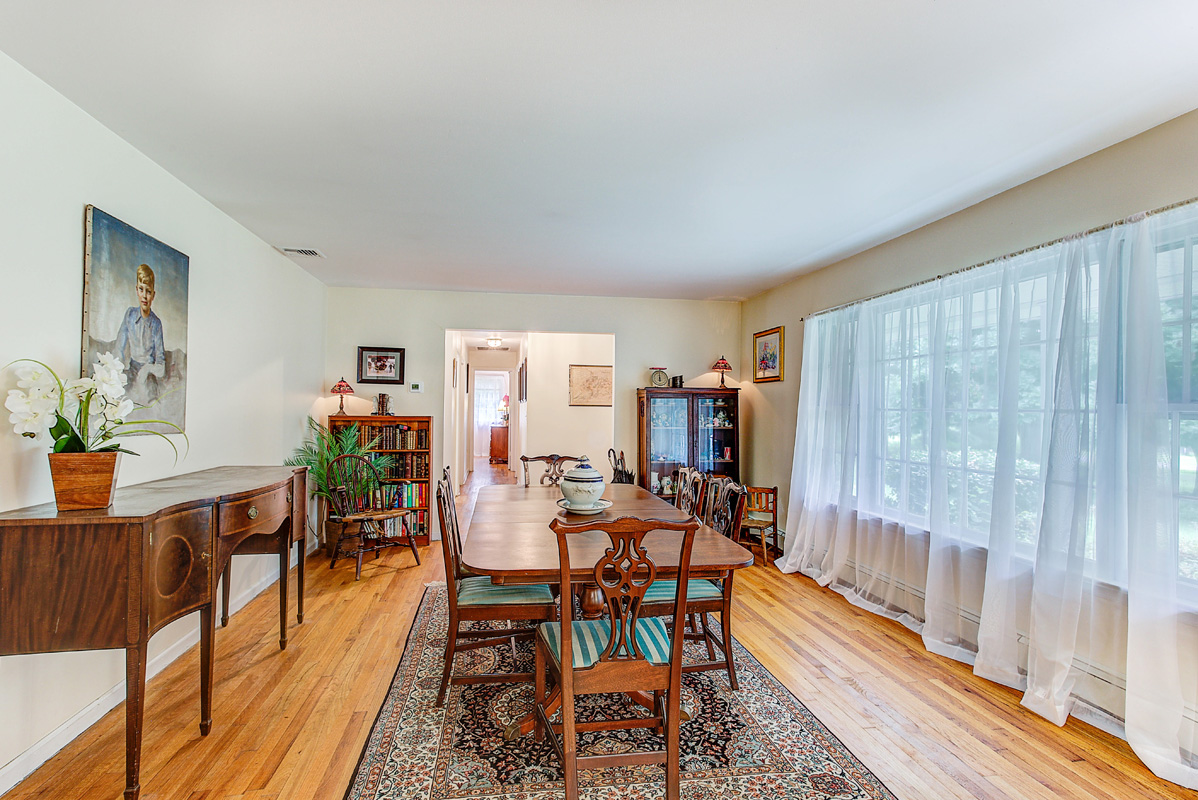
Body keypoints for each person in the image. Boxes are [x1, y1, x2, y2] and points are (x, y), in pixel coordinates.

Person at [115, 263, 166, 405]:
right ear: (137, 290)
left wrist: (147, 370)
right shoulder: (130, 315)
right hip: (131, 370)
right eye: (141, 290)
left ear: (153, 295)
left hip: (149, 374)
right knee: (121, 401)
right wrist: (117, 371)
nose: (144, 296)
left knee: (152, 404)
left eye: (148, 291)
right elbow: (119, 348)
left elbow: (161, 367)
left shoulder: (156, 324)